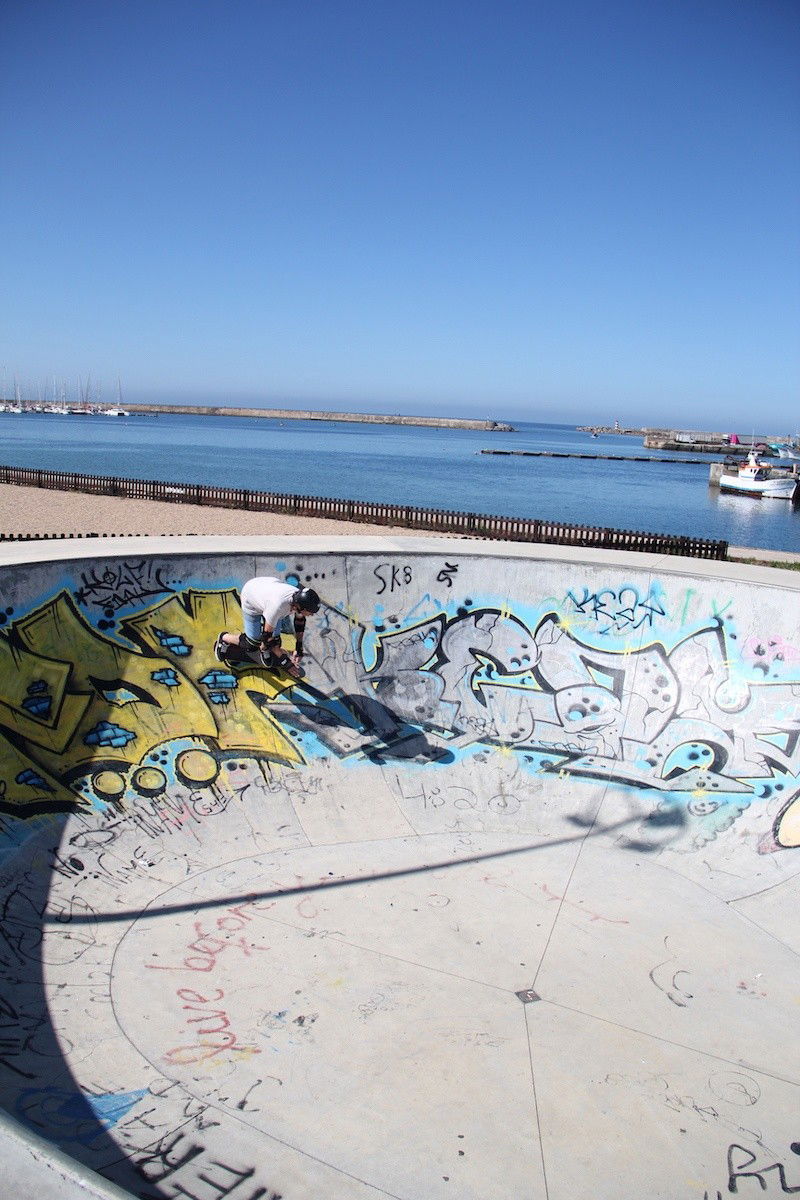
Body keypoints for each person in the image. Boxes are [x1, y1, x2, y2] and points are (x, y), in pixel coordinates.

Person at [215, 578, 321, 675]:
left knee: (276, 641)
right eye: (310, 612)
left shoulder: (298, 599)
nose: (312, 615)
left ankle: (265, 650)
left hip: (265, 590)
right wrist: (285, 662)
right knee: (252, 644)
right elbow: (266, 638)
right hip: (250, 597)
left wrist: (299, 647)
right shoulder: (277, 607)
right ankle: (224, 638)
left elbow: (299, 623)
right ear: (301, 607)